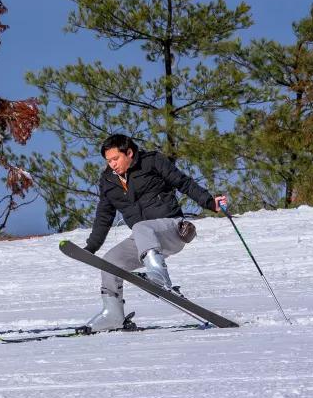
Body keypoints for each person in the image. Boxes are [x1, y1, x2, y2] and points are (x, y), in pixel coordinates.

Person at [81, 134, 227, 331]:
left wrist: (209, 202)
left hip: (171, 227)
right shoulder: (108, 180)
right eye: (108, 161)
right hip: (144, 241)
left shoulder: (151, 162)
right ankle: (113, 314)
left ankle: (159, 278)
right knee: (110, 262)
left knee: (142, 227)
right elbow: (104, 215)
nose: (112, 165)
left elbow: (183, 182)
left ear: (129, 153)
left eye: (115, 159)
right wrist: (91, 247)